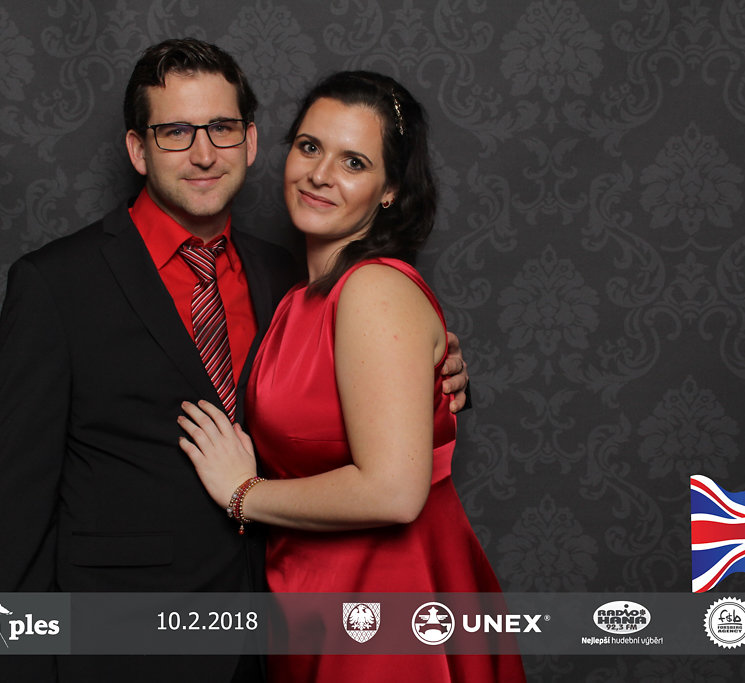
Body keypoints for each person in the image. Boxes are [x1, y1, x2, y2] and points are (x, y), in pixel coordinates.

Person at [0, 39, 470, 683]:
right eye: (176, 132)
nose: (204, 153)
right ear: (138, 150)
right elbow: (13, 519)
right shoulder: (56, 285)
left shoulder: (291, 276)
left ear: (251, 141)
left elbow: (354, 400)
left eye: (221, 128)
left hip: (280, 636)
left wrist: (435, 368)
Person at [178, 72, 526, 681]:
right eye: (310, 146)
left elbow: (394, 492)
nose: (319, 174)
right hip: (318, 598)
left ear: (390, 189)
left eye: (354, 162)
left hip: (387, 605)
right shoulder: (301, 296)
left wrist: (243, 493)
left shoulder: (371, 290)